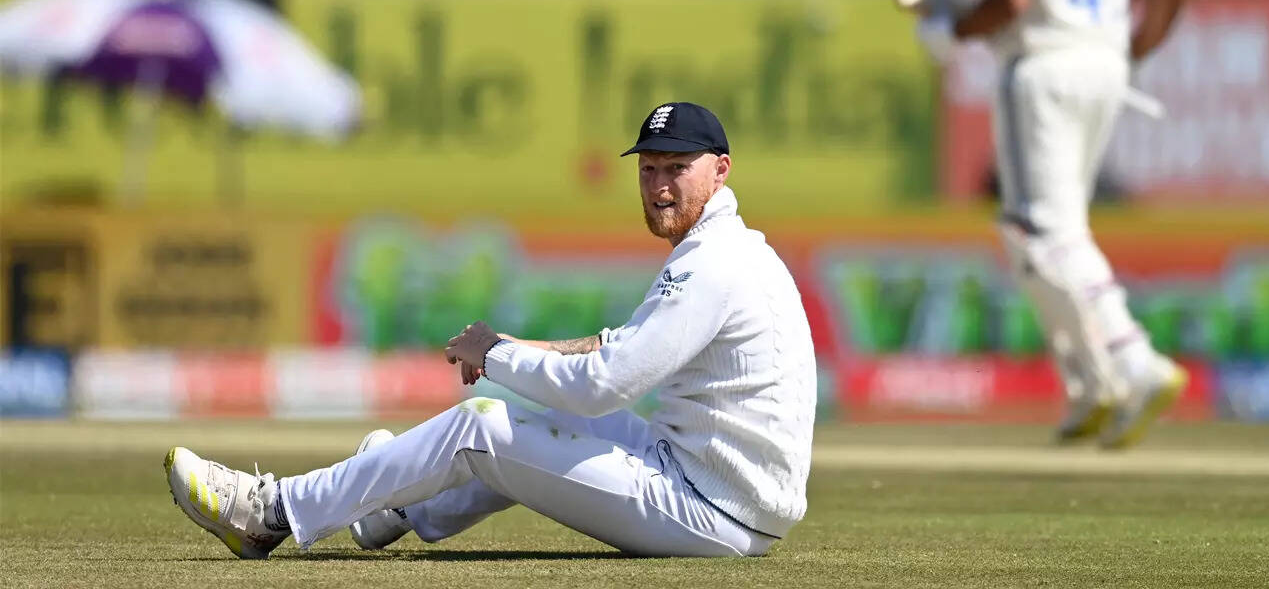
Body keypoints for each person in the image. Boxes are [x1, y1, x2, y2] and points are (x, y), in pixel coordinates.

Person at [163, 101, 817, 559]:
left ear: (721, 169)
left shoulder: (711, 265)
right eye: (648, 168)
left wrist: (496, 354)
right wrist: (516, 349)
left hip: (709, 510)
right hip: (724, 494)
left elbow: (603, 386)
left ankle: (269, 512)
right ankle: (392, 509)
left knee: (480, 425)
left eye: (677, 168)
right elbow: (615, 347)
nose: (659, 186)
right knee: (532, 415)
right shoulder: (728, 251)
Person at [947, 0, 1195, 446]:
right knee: (1044, 235)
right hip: (1103, 66)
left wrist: (955, 25)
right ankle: (1091, 382)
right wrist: (1131, 53)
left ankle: (1133, 363)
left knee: (1044, 232)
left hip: (1043, 67)